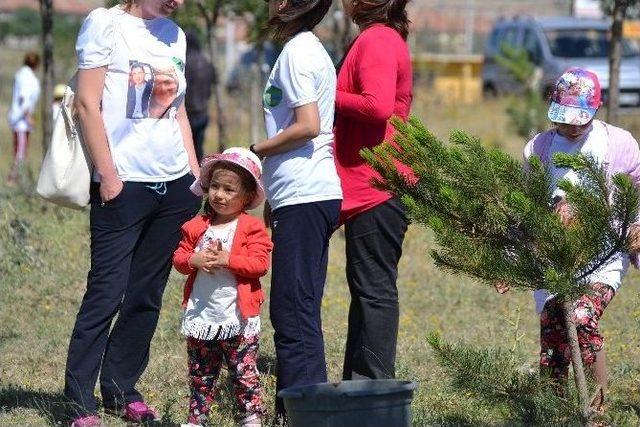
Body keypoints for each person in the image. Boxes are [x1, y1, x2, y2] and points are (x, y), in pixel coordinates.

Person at [64, 1, 201, 426]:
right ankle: (79, 400)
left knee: (146, 295)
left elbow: (177, 112)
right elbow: (87, 104)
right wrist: (108, 175)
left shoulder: (175, 34)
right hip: (123, 183)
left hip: (174, 185)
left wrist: (195, 174)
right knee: (106, 293)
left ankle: (122, 388)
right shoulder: (105, 24)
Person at [494, 67, 640, 411]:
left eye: (580, 119)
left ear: (596, 110)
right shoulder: (539, 149)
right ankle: (554, 412)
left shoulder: (619, 144)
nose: (571, 126)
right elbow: (524, 210)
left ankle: (598, 410)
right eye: (563, 119)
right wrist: (510, 260)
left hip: (602, 257)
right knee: (554, 341)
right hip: (552, 260)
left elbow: (636, 195)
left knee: (581, 316)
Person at [250, 0, 342, 417]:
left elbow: (307, 125)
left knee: (291, 310)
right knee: (299, 305)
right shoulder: (308, 48)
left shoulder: (296, 53)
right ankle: (302, 408)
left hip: (306, 192)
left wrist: (253, 152)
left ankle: (305, 412)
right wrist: (274, 192)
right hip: (301, 194)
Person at [333, 0, 413, 381]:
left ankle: (374, 393)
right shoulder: (377, 37)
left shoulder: (378, 40)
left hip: (376, 187)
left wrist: (324, 93)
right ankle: (359, 386)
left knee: (374, 293)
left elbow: (377, 107)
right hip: (370, 185)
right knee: (366, 292)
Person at [173, 147, 272, 427]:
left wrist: (229, 259)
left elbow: (259, 264)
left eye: (229, 190)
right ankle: (197, 418)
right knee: (201, 372)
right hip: (203, 314)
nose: (219, 195)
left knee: (243, 372)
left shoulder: (251, 228)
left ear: (248, 197)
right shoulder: (197, 226)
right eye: (215, 186)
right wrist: (194, 259)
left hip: (238, 317)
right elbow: (179, 258)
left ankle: (251, 417)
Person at [7, 52, 41, 184]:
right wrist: (28, 117)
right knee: (20, 152)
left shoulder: (21, 74)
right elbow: (24, 97)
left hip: (17, 118)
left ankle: (16, 178)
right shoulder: (28, 78)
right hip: (21, 120)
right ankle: (12, 179)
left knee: (19, 151)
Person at [185, 31, 215, 162]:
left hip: (188, 114)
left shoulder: (185, 63)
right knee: (199, 148)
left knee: (187, 149)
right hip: (203, 112)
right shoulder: (207, 63)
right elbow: (211, 87)